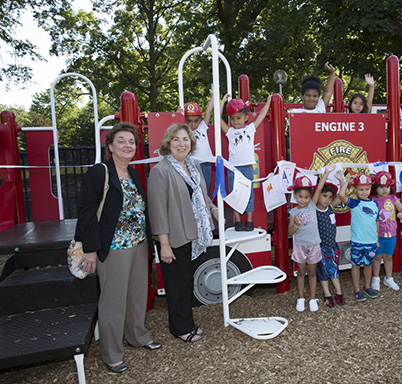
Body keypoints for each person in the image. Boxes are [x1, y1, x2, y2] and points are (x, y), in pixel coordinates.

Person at [76, 122, 161, 374]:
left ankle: (138, 336)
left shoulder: (133, 173)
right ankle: (112, 354)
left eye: (131, 141)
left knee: (137, 296)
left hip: (137, 244)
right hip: (112, 247)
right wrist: (90, 249)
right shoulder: (99, 172)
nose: (127, 145)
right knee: (113, 301)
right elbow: (87, 213)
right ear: (110, 146)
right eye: (121, 141)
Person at [147, 123, 218, 344]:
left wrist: (213, 209)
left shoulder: (193, 165)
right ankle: (180, 328)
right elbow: (158, 211)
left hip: (193, 234)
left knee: (186, 281)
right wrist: (165, 245)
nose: (181, 143)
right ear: (168, 143)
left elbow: (202, 195)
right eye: (176, 139)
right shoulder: (160, 171)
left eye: (185, 139)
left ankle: (187, 323)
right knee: (176, 285)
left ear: (191, 143)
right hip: (174, 237)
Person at [219, 94, 272, 231]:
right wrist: (222, 102)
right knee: (235, 194)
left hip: (248, 167)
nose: (235, 121)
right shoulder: (230, 132)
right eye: (232, 118)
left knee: (249, 194)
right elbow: (218, 119)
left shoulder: (250, 129)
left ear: (246, 118)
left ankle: (249, 221)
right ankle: (237, 221)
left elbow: (261, 116)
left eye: (238, 118)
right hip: (233, 168)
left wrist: (268, 102)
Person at [337, 171, 380, 302]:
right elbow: (341, 195)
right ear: (355, 190)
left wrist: (377, 239)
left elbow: (376, 222)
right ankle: (357, 289)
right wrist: (346, 181)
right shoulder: (354, 203)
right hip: (357, 242)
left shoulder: (375, 204)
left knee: (368, 265)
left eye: (367, 189)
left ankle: (367, 287)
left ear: (370, 189)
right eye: (361, 189)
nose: (364, 192)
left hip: (371, 242)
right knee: (356, 266)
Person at [288, 175, 322, 312]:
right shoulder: (293, 212)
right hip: (300, 245)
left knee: (312, 272)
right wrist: (296, 224)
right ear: (295, 196)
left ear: (310, 197)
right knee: (301, 272)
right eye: (300, 197)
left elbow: (319, 188)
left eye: (306, 197)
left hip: (314, 244)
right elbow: (290, 232)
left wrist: (325, 173)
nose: (303, 200)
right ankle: (301, 298)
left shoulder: (312, 206)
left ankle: (313, 299)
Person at [312, 165, 345, 307]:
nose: (327, 199)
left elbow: (343, 196)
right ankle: (327, 294)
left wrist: (341, 180)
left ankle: (339, 292)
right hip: (320, 247)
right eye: (324, 196)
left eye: (330, 197)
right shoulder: (313, 208)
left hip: (332, 246)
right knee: (322, 271)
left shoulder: (331, 207)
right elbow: (319, 188)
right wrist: (326, 173)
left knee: (334, 269)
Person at [371, 171, 402, 291]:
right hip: (378, 235)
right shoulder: (372, 201)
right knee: (377, 257)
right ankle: (375, 278)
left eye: (387, 186)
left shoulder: (393, 198)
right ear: (375, 187)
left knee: (388, 257)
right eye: (381, 187)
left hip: (391, 235)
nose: (384, 189)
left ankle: (389, 278)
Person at [179, 91, 214, 186]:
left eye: (195, 121)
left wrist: (213, 96)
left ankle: (205, 201)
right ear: (185, 120)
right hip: (192, 164)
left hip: (205, 163)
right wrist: (178, 115)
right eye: (189, 121)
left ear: (200, 118)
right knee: (193, 189)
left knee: (205, 188)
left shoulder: (202, 126)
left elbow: (209, 111)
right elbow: (174, 129)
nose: (192, 124)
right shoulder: (184, 130)